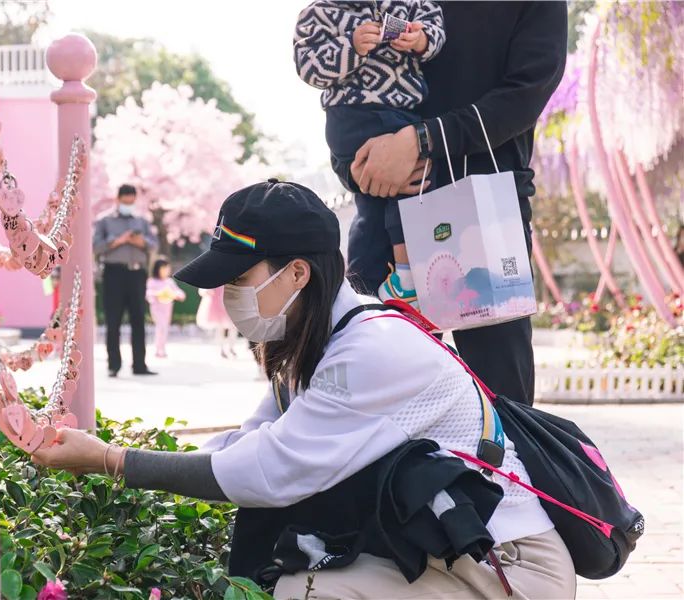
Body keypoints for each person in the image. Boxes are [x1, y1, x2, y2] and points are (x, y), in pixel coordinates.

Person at [33, 180, 575, 599]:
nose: (230, 296)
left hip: (511, 570)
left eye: (240, 280)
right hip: (449, 551)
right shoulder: (320, 338)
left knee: (303, 590)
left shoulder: (368, 350)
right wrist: (112, 453)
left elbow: (264, 471)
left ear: (296, 274)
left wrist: (110, 459)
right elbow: (247, 443)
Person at [342, 2, 568, 406]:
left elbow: (525, 93)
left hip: (485, 210)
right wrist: (354, 165)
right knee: (371, 390)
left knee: (501, 398)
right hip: (385, 206)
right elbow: (346, 85)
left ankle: (494, 473)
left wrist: (422, 140)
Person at [293, 0, 446, 307]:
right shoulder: (319, 12)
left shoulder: (412, 3)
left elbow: (437, 29)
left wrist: (421, 40)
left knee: (372, 210)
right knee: (411, 186)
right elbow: (308, 67)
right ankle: (406, 277)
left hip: (403, 112)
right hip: (352, 116)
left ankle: (360, 289)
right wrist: (350, 45)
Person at [93, 184, 159, 377]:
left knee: (139, 319)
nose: (128, 204)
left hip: (137, 274)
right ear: (118, 199)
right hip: (114, 274)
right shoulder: (104, 221)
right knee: (113, 320)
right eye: (125, 201)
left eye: (132, 202)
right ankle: (114, 364)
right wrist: (118, 241)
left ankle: (140, 364)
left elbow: (154, 244)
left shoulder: (142, 221)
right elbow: (96, 247)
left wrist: (141, 242)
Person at [146, 257, 186, 359]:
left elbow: (180, 293)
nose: (166, 271)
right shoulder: (152, 281)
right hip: (156, 309)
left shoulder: (169, 282)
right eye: (163, 268)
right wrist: (157, 294)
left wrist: (175, 295)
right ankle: (159, 350)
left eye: (167, 268)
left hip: (167, 309)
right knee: (161, 327)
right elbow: (148, 294)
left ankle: (162, 348)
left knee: (164, 328)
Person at [196, 286, 237, 358]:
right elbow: (204, 287)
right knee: (220, 328)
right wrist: (206, 291)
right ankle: (222, 349)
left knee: (233, 326)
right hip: (217, 304)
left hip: (230, 302)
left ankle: (231, 347)